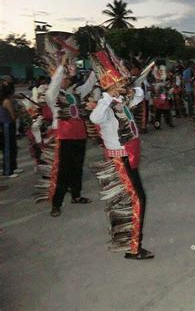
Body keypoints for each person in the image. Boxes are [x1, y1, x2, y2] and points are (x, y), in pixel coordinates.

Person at [89, 41, 154, 259]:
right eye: (118, 84)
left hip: (129, 158)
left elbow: (139, 95)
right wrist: (108, 95)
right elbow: (94, 117)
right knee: (138, 199)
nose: (123, 86)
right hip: (121, 159)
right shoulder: (106, 109)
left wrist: (124, 89)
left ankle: (127, 236)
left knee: (132, 199)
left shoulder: (122, 103)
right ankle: (134, 247)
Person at [45, 35, 97, 217]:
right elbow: (55, 82)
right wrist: (62, 65)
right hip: (65, 137)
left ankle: (76, 195)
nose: (68, 78)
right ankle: (56, 204)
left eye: (67, 76)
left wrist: (96, 64)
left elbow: (90, 83)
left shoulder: (75, 92)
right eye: (65, 76)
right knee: (63, 171)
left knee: (77, 167)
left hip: (79, 135)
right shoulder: (52, 94)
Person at [0, 78, 21, 178]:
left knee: (13, 147)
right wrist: (20, 112)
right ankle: (8, 171)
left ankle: (14, 167)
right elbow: (13, 116)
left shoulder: (6, 99)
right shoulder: (7, 101)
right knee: (8, 148)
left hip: (9, 124)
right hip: (7, 125)